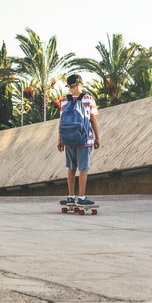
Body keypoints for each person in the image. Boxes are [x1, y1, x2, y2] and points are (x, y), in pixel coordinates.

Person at [57, 74, 101, 205]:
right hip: (85, 140)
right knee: (83, 169)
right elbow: (93, 120)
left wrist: (60, 140)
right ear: (80, 84)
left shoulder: (65, 100)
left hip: (68, 139)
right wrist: (97, 138)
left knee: (71, 168)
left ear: (71, 86)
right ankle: (81, 198)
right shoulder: (88, 99)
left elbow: (61, 122)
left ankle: (71, 197)